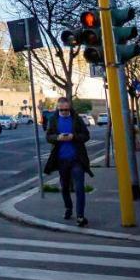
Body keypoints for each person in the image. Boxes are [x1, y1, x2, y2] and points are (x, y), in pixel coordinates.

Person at [43, 97, 92, 226]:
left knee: (79, 187)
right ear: (58, 108)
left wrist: (74, 137)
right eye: (62, 110)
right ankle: (68, 208)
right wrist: (57, 137)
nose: (65, 112)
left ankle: (80, 216)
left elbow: (86, 135)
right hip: (61, 159)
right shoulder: (53, 120)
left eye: (67, 109)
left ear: (70, 108)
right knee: (65, 186)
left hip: (76, 159)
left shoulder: (77, 119)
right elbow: (48, 137)